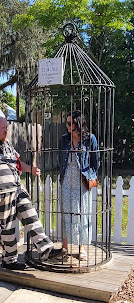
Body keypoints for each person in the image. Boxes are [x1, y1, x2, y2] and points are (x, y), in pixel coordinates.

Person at [0, 116, 64, 270]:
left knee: (31, 215)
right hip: (0, 193)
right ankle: (9, 261)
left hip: (17, 189)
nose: (6, 131)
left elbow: (18, 162)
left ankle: (46, 249)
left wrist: (31, 169)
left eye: (7, 128)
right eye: (3, 128)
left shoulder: (8, 145)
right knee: (8, 226)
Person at [59, 110, 99, 261]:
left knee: (82, 213)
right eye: (67, 123)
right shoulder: (64, 139)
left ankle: (82, 248)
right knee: (66, 213)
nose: (67, 126)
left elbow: (96, 161)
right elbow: (60, 159)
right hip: (67, 179)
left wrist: (91, 176)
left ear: (79, 124)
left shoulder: (90, 139)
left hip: (81, 179)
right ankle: (64, 248)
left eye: (70, 123)